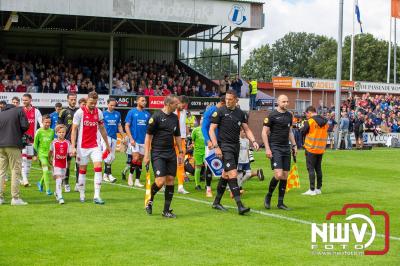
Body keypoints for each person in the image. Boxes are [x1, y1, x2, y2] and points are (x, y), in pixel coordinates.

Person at [209, 90, 259, 215]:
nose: (227, 101)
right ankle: (240, 206)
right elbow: (211, 130)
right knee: (232, 173)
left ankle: (216, 202)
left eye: (230, 99)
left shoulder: (240, 113)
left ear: (236, 99)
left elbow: (246, 129)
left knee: (226, 175)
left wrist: (253, 140)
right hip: (224, 147)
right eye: (226, 99)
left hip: (235, 146)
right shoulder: (219, 111)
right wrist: (216, 147)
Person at [144, 95, 183, 218]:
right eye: (175, 104)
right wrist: (146, 155)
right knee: (160, 181)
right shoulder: (156, 116)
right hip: (157, 153)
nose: (177, 106)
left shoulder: (175, 117)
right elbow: (148, 136)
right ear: (168, 104)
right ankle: (149, 200)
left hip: (170, 153)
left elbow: (177, 135)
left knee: (171, 180)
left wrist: (181, 152)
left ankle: (166, 211)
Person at [71, 91, 111, 204]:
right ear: (86, 100)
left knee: (98, 167)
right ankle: (82, 194)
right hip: (82, 146)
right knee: (82, 170)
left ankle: (96, 196)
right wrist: (73, 146)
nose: (93, 105)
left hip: (95, 145)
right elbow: (74, 130)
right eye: (91, 102)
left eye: (95, 102)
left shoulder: (99, 112)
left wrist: (107, 145)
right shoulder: (79, 112)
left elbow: (102, 129)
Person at [261, 95, 297, 210]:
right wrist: (267, 148)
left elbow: (290, 131)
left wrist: (294, 145)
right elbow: (264, 133)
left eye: (287, 101)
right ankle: (269, 196)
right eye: (283, 101)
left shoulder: (289, 115)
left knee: (285, 176)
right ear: (278, 102)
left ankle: (280, 203)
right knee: (279, 174)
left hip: (286, 147)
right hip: (275, 147)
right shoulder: (271, 115)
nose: (286, 103)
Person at [0, 103, 29, 205]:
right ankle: (15, 198)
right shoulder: (19, 110)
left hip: (1, 146)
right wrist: (18, 132)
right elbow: (25, 125)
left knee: (1, 172)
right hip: (13, 144)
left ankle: (0, 198)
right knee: (15, 171)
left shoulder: (1, 113)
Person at [300, 106, 328, 196]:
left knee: (311, 169)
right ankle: (318, 188)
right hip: (321, 149)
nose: (306, 116)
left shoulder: (310, 121)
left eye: (306, 114)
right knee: (318, 169)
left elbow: (302, 132)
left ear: (309, 112)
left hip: (311, 148)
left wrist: (302, 127)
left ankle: (312, 189)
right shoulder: (325, 122)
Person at [201, 96, 226, 197]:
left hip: (223, 142)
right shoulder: (211, 110)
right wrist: (208, 140)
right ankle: (208, 189)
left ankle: (226, 187)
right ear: (223, 103)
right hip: (211, 144)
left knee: (226, 165)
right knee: (210, 166)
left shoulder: (226, 111)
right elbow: (204, 127)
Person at [124, 96, 151, 187]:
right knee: (135, 158)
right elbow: (127, 126)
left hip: (144, 140)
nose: (144, 102)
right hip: (134, 140)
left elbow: (149, 128)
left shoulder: (147, 114)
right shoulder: (131, 112)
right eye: (142, 100)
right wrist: (130, 138)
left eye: (145, 101)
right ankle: (130, 176)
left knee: (140, 160)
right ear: (137, 101)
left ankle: (137, 180)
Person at [21, 93, 43, 187]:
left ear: (30, 100)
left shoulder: (36, 111)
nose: (24, 101)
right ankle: (25, 179)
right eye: (23, 100)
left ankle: (25, 179)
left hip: (31, 141)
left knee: (29, 161)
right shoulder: (20, 111)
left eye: (26, 100)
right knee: (24, 159)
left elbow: (41, 123)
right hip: (21, 140)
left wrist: (42, 131)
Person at [58, 93, 78, 192]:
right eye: (71, 99)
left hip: (79, 141)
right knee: (67, 164)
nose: (73, 101)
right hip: (67, 142)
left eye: (75, 99)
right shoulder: (63, 112)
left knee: (79, 162)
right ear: (67, 100)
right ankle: (66, 183)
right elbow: (59, 127)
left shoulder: (80, 111)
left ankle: (78, 184)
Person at [102, 98, 125, 183]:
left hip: (114, 137)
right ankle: (110, 175)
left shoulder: (117, 114)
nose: (112, 106)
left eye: (114, 105)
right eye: (111, 105)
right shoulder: (103, 114)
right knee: (108, 156)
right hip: (106, 137)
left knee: (112, 157)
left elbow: (119, 126)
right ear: (107, 104)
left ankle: (104, 175)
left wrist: (123, 136)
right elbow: (100, 127)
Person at [49, 124, 72, 204]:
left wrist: (73, 153)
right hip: (56, 164)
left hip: (64, 164)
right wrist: (49, 159)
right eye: (59, 132)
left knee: (61, 180)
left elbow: (70, 153)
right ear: (56, 133)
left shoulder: (68, 143)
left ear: (65, 133)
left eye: (63, 132)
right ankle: (60, 197)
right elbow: (50, 152)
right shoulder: (54, 142)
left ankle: (56, 192)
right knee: (58, 179)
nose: (61, 133)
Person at [33, 115, 55, 195]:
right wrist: (35, 155)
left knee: (47, 171)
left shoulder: (52, 131)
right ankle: (48, 190)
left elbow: (52, 143)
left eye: (49, 122)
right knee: (45, 171)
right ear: (42, 122)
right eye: (46, 122)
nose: (48, 124)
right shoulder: (39, 131)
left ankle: (40, 183)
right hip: (41, 155)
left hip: (49, 155)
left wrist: (52, 154)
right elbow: (35, 144)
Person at [175, 96, 190, 194]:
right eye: (183, 105)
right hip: (170, 139)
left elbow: (184, 125)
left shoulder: (184, 112)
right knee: (167, 162)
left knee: (180, 164)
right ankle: (163, 184)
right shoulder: (171, 111)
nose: (184, 108)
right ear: (178, 102)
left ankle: (180, 186)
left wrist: (187, 134)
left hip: (182, 140)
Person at [191, 118, 205, 190]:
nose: (203, 120)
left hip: (206, 151)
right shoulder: (195, 130)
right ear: (200, 121)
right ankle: (197, 185)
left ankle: (207, 185)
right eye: (202, 119)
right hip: (197, 151)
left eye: (204, 119)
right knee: (198, 167)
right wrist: (194, 146)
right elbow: (192, 141)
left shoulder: (208, 129)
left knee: (208, 167)